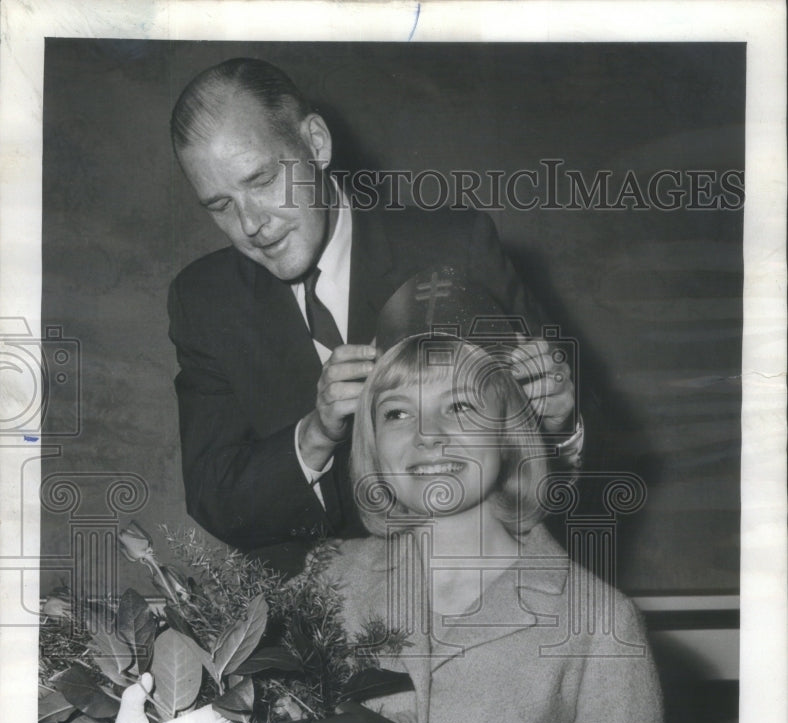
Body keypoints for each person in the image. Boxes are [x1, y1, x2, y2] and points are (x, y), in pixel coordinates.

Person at [90, 332, 679, 723]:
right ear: (372, 444)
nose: (427, 434)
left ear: (510, 431)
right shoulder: (328, 582)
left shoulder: (600, 622)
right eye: (397, 412)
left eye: (460, 406)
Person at [167, 57, 580, 558]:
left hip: (464, 593)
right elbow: (216, 497)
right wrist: (315, 434)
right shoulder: (204, 300)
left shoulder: (455, 247)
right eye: (220, 205)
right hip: (303, 621)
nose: (251, 223)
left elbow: (560, 458)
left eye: (261, 180)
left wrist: (561, 421)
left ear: (316, 143)